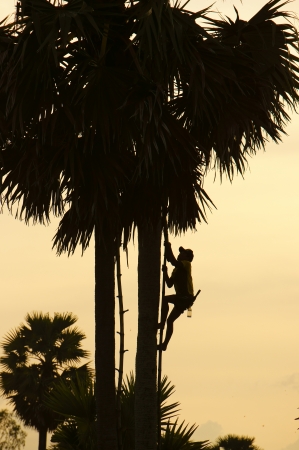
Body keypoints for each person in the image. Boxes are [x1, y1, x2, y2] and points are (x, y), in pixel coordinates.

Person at [157, 242, 195, 351]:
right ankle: (164, 344)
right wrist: (165, 273)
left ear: (187, 257)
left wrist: (168, 248)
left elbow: (173, 261)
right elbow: (169, 284)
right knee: (170, 321)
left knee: (165, 299)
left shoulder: (186, 264)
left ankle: (161, 324)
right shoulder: (176, 269)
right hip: (181, 298)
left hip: (186, 297)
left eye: (182, 253)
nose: (180, 255)